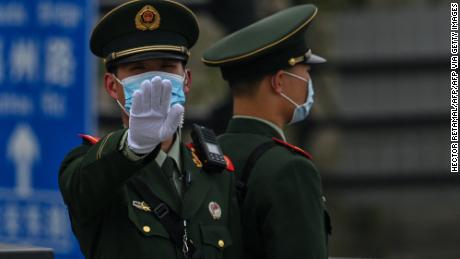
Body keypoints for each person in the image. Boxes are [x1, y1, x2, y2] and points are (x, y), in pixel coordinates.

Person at [59, 1, 241, 258]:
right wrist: (134, 147)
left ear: (186, 80)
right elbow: (81, 188)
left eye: (167, 67)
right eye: (139, 69)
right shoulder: (96, 165)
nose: (156, 82)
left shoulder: (216, 173)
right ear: (112, 86)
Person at [202, 4, 331, 259]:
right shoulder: (290, 169)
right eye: (305, 73)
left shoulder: (203, 155)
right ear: (279, 82)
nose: (308, 83)